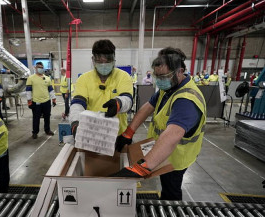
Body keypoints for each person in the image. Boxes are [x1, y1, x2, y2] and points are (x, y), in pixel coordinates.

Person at [112, 47, 206, 201]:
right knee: (166, 186)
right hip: (162, 154)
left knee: (171, 190)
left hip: (175, 158)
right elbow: (148, 107)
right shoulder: (169, 88)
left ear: (180, 71)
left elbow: (172, 135)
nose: (160, 80)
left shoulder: (187, 100)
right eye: (157, 76)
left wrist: (143, 167)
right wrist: (129, 132)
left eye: (164, 76)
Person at [69, 39, 133, 137]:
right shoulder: (83, 79)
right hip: (92, 134)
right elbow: (78, 103)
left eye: (108, 61)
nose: (103, 65)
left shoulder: (123, 76)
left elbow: (128, 99)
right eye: (99, 61)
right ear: (93, 60)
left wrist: (119, 103)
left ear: (114, 60)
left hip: (118, 134)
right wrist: (75, 122)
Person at [26, 62, 56, 139]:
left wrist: (54, 99)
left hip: (46, 101)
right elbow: (28, 90)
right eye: (39, 67)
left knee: (47, 117)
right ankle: (35, 132)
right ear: (35, 68)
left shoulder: (47, 78)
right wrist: (29, 101)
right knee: (36, 118)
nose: (40, 68)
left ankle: (47, 130)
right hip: (36, 102)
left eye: (41, 67)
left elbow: (51, 90)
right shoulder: (31, 78)